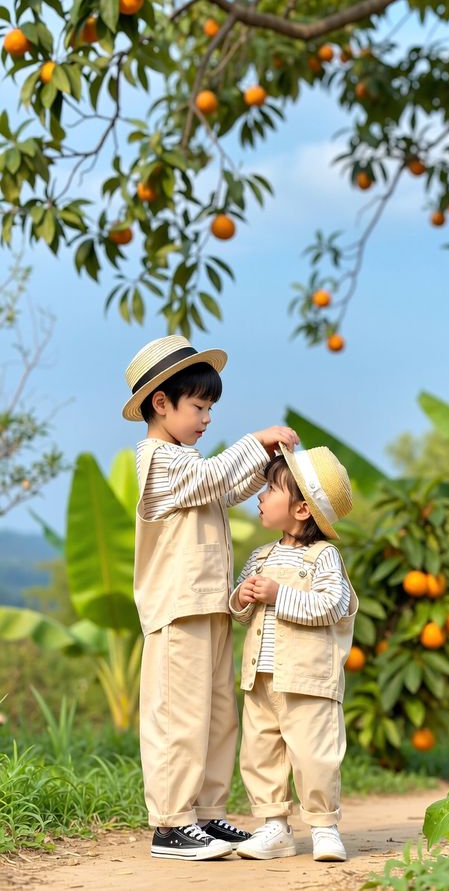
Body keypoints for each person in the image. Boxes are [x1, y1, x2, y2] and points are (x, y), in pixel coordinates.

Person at [122, 334, 299, 861]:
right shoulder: (158, 460)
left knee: (218, 716)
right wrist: (256, 440)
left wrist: (266, 462)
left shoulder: (188, 462)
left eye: (209, 409)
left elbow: (224, 486)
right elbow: (211, 476)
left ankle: (205, 813)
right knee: (179, 717)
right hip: (178, 610)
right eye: (199, 407)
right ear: (161, 403)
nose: (206, 418)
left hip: (210, 606)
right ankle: (171, 823)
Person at [230, 443, 358, 863]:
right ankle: (274, 827)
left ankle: (323, 827)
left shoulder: (324, 557)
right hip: (261, 677)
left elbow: (332, 606)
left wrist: (278, 594)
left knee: (314, 755)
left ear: (302, 509)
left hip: (308, 680)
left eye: (271, 489)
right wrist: (241, 598)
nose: (261, 495)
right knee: (260, 753)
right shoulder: (260, 556)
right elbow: (243, 615)